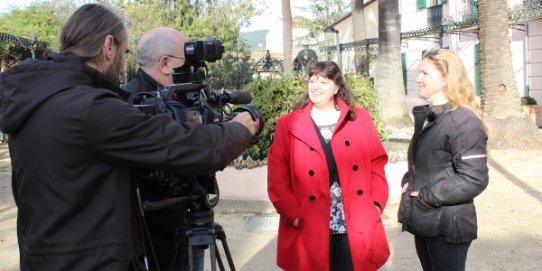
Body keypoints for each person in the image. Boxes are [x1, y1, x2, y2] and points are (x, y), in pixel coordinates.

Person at [0, 4, 257, 271]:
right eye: (124, 53)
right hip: (91, 262)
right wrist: (240, 127)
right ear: (108, 46)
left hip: (42, 257)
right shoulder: (91, 109)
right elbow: (189, 147)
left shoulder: (34, 100)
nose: (124, 62)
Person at [267, 61, 390, 271]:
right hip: (309, 222)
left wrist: (376, 204)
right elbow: (277, 176)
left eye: (323, 81)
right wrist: (293, 214)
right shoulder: (288, 124)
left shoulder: (360, 119)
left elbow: (376, 162)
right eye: (312, 80)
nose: (316, 86)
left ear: (336, 87)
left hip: (354, 220)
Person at [397, 48, 489, 271]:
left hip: (448, 225)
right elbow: (429, 161)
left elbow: (474, 178)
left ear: (446, 78)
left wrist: (428, 194)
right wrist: (410, 179)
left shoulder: (463, 121)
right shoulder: (430, 115)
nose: (418, 79)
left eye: (425, 74)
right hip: (426, 219)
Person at [123, 27, 205, 271]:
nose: (190, 66)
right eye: (186, 59)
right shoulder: (130, 103)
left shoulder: (186, 94)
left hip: (191, 215)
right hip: (152, 229)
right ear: (165, 63)